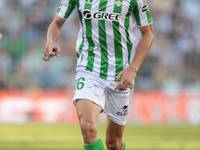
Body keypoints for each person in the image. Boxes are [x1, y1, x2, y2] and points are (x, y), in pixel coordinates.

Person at [42, 0, 153, 149]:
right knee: (88, 128)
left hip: (121, 75)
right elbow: (57, 23)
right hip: (89, 69)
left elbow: (148, 34)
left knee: (114, 143)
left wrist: (132, 69)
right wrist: (50, 42)